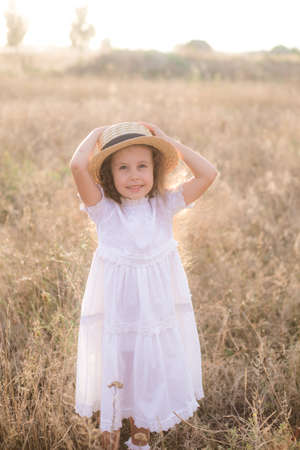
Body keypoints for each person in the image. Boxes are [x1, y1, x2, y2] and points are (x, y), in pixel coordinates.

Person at [69, 121, 219, 449]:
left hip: (154, 317)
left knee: (147, 369)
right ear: (109, 175)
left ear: (155, 170)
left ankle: (140, 440)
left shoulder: (163, 207)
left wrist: (169, 142)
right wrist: (95, 134)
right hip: (117, 316)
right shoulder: (105, 211)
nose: (134, 175)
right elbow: (78, 166)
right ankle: (108, 435)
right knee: (116, 366)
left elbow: (208, 174)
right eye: (122, 168)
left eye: (142, 166)